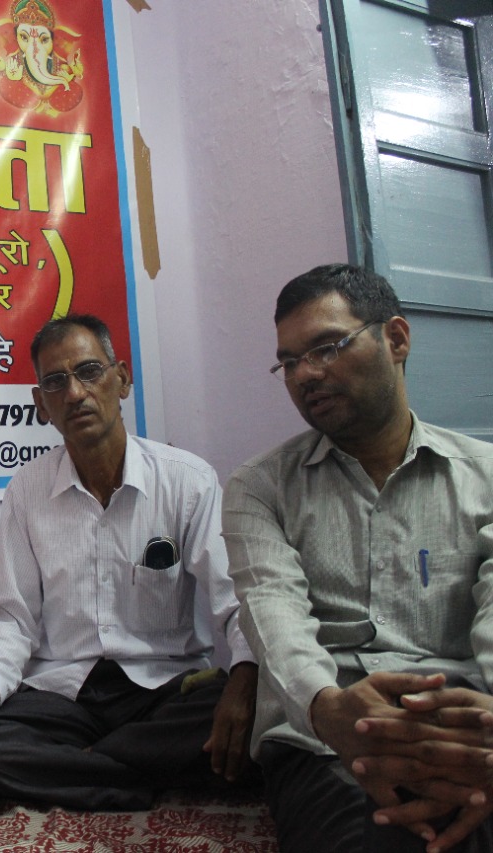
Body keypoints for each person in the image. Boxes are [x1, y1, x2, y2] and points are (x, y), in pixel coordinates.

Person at [0, 314, 259, 809]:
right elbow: (11, 617)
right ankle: (142, 771)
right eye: (55, 382)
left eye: (89, 372)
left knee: (256, 712)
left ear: (122, 379)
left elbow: (236, 602)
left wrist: (246, 677)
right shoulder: (28, 490)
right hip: (65, 695)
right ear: (40, 404)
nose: (75, 393)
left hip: (164, 691)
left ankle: (84, 768)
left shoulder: (187, 481)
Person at [223, 263, 493, 853]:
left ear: (395, 339)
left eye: (327, 347)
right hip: (325, 735)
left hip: (467, 719)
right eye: (289, 362)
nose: (305, 375)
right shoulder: (260, 487)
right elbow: (272, 615)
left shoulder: (486, 476)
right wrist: (329, 711)